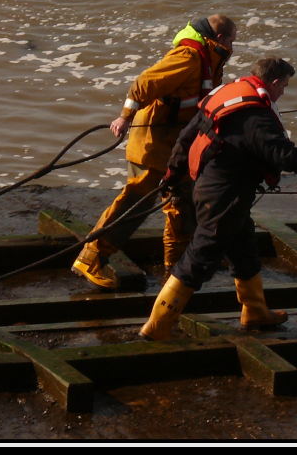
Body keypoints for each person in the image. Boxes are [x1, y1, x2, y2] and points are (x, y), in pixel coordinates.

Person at [140, 57, 297, 340]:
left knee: (244, 247)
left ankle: (255, 312)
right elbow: (287, 158)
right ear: (273, 82)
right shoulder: (255, 116)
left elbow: (187, 137)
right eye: (283, 86)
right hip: (224, 196)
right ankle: (157, 326)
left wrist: (173, 173)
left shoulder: (228, 94)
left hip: (211, 187)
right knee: (199, 258)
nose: (283, 93)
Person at [71, 15, 238, 288]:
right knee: (136, 201)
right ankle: (90, 258)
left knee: (182, 203)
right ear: (220, 39)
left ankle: (178, 266)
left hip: (176, 145)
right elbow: (143, 83)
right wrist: (124, 117)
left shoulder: (209, 59)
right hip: (151, 144)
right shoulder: (189, 57)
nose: (234, 45)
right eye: (232, 39)